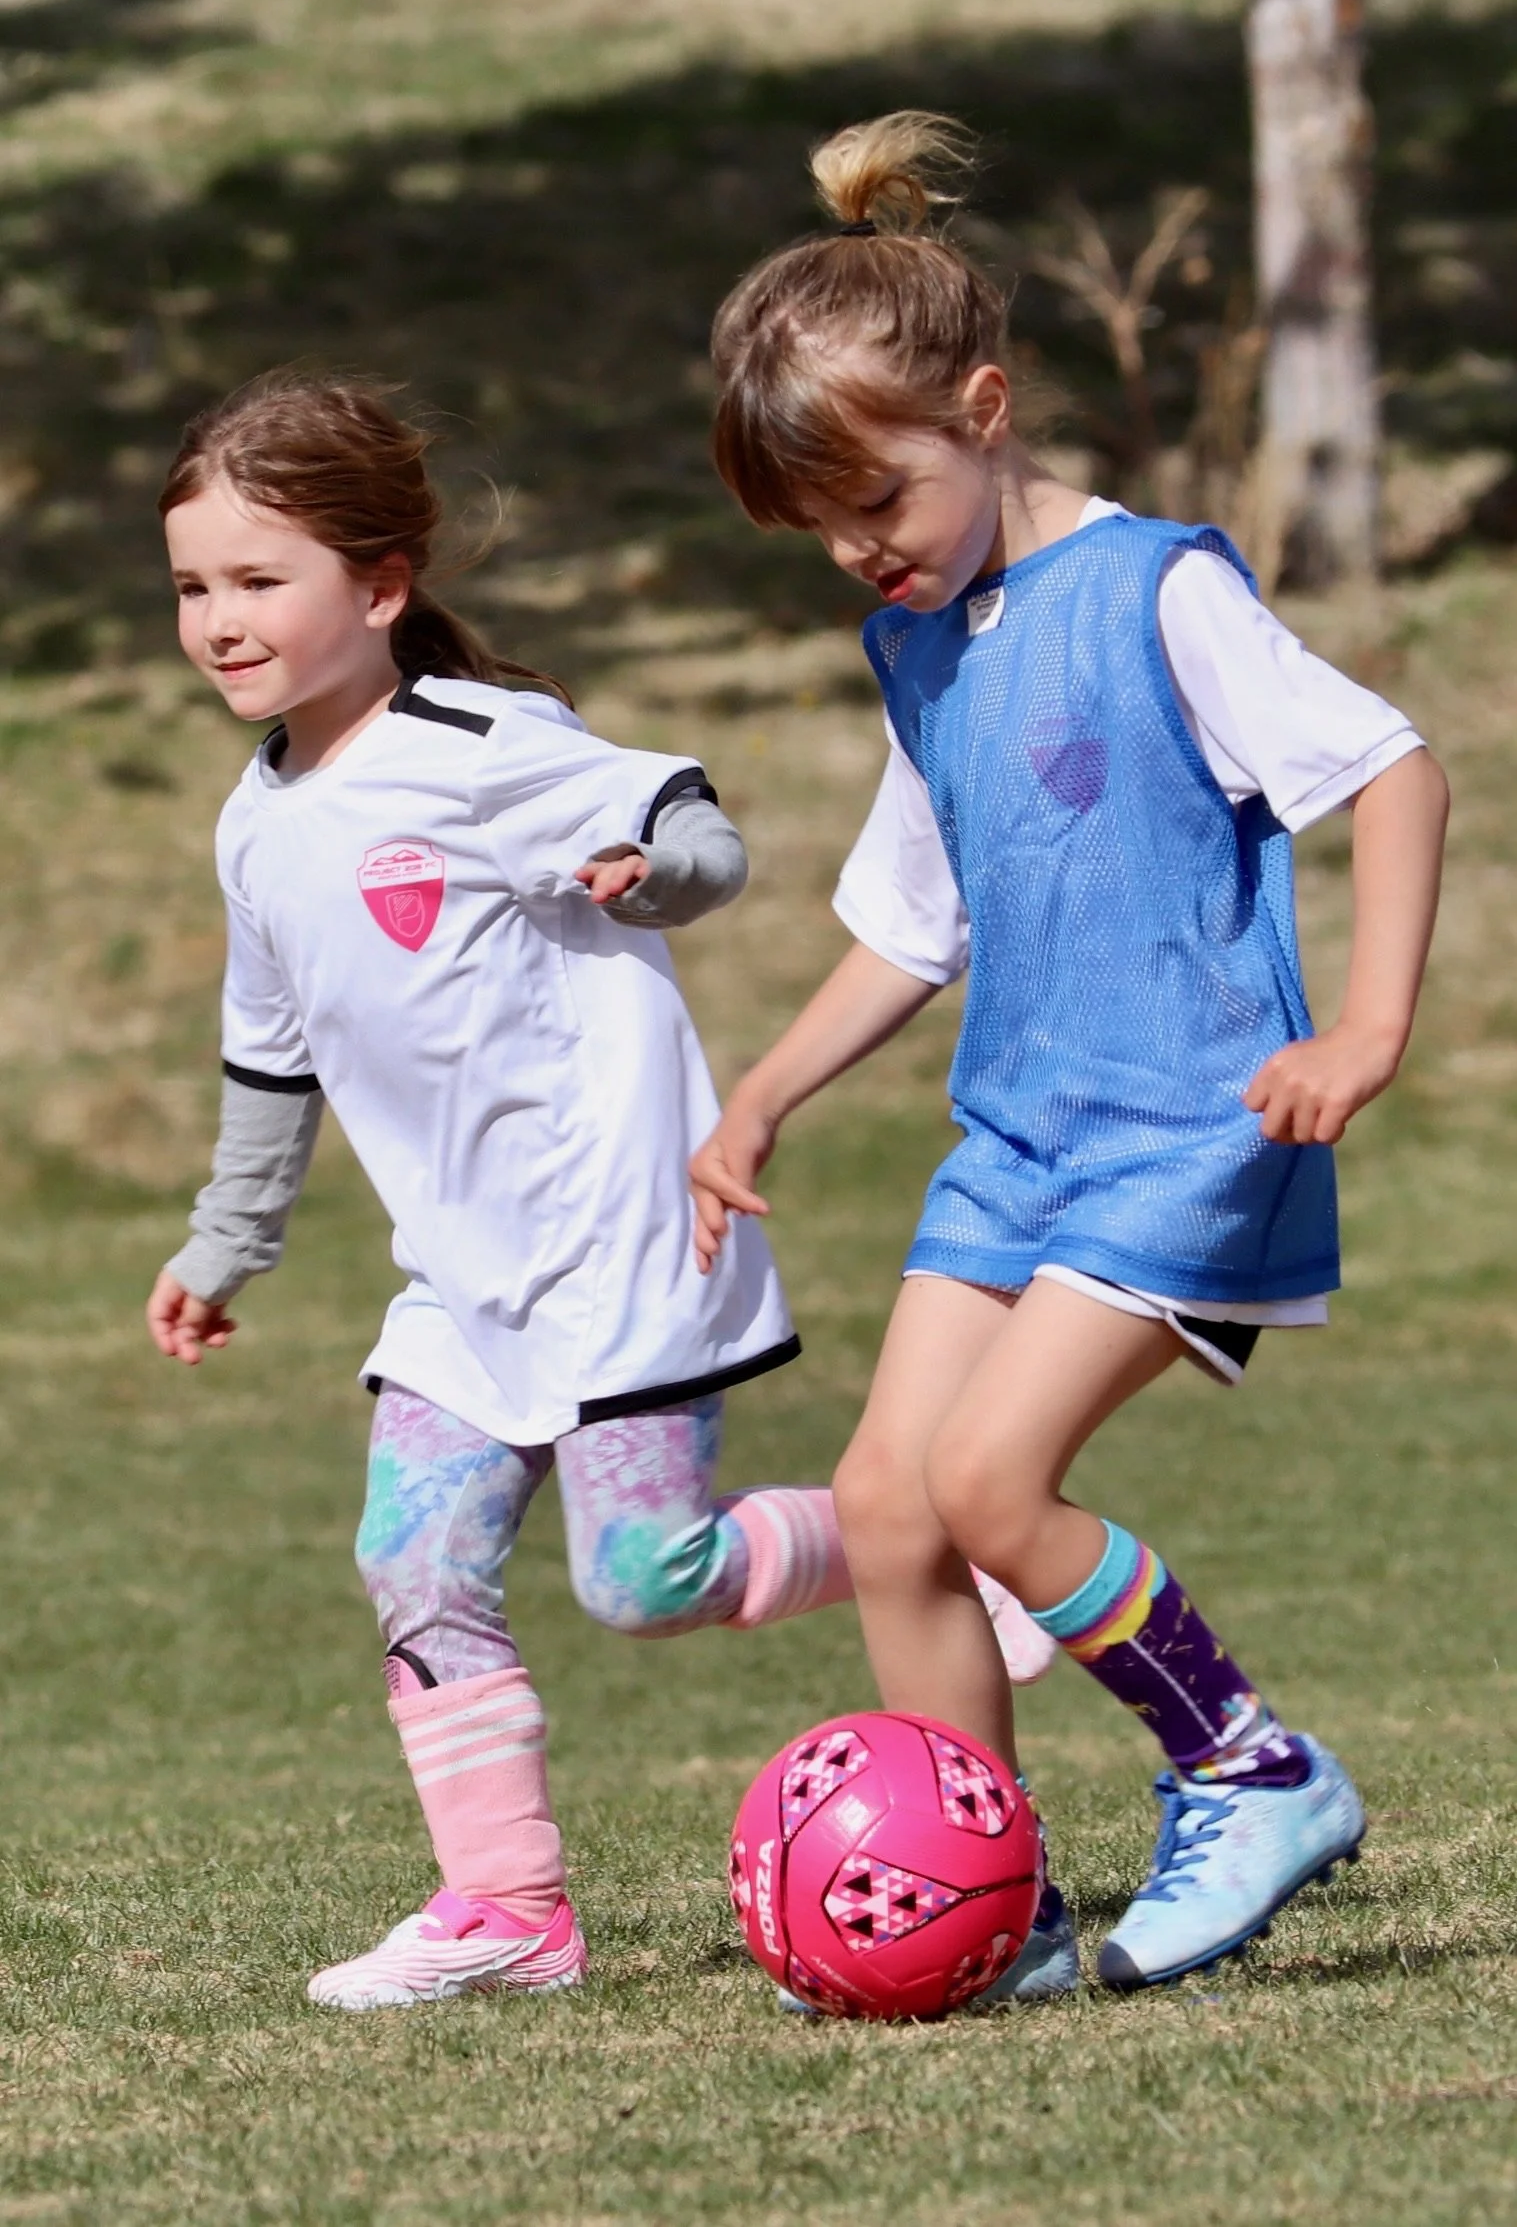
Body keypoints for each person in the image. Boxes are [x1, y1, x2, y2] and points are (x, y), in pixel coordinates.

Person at [145, 368, 1052, 2013]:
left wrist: (657, 877)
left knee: (642, 1581)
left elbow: (692, 827)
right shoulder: (255, 819)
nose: (219, 619)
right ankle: (508, 1911)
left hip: (625, 1236)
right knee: (411, 1560)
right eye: (195, 585)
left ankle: (934, 1548)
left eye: (259, 579)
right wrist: (228, 1241)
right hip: (462, 1277)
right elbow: (269, 1053)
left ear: (380, 586)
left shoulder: (482, 744)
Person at [691, 113, 1449, 1991]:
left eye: (878, 501)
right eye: (822, 534)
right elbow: (913, 921)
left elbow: (1395, 765)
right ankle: (996, 1910)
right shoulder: (923, 645)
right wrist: (769, 1090)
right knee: (885, 1502)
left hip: (1189, 1125)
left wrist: (1366, 1021)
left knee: (990, 1484)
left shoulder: (1158, 590)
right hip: (1016, 1140)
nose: (860, 552)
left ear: (989, 405)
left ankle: (1250, 1765)